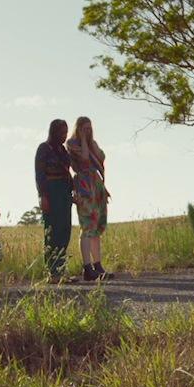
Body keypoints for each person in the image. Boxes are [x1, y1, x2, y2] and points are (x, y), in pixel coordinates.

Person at [67, 115, 110, 281]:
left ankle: (98, 265)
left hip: (96, 184)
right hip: (84, 185)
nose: (88, 131)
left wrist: (91, 142)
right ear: (78, 129)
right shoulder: (72, 144)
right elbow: (84, 159)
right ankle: (87, 267)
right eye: (84, 128)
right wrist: (84, 140)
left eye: (90, 128)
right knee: (87, 226)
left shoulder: (93, 143)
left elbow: (101, 157)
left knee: (97, 228)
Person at [33, 119, 74, 282]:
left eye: (66, 132)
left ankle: (61, 269)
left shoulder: (62, 150)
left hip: (64, 191)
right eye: (62, 132)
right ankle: (52, 272)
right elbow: (39, 174)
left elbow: (68, 171)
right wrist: (43, 196)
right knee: (52, 232)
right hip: (51, 191)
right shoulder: (44, 148)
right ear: (54, 132)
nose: (64, 136)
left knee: (65, 230)